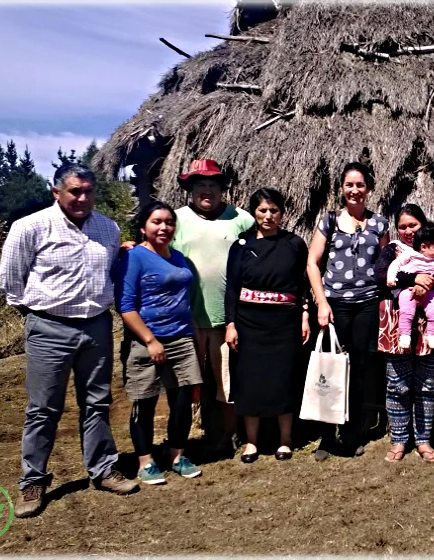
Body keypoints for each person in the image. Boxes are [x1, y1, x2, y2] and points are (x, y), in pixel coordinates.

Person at [0, 163, 138, 518]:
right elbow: (10, 281)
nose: (82, 198)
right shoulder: (30, 227)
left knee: (97, 403)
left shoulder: (107, 228)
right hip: (48, 327)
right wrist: (37, 318)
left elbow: (110, 272)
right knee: (43, 408)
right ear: (56, 191)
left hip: (96, 326)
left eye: (88, 191)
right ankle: (33, 481)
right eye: (75, 191)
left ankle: (103, 469)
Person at [170, 159, 254, 456]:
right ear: (190, 190)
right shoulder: (175, 220)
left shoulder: (241, 219)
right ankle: (200, 434)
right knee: (192, 381)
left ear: (222, 189)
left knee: (226, 383)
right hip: (186, 319)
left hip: (227, 319)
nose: (207, 191)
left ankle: (229, 434)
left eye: (213, 185)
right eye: (200, 185)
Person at [306, 162, 390, 460]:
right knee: (331, 368)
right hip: (336, 305)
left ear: (369, 189)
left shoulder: (379, 224)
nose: (355, 190)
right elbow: (312, 262)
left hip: (367, 304)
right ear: (341, 189)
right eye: (349, 185)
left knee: (361, 367)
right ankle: (327, 438)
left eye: (360, 185)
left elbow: (385, 266)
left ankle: (354, 433)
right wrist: (322, 302)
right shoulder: (328, 221)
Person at [116, 201, 203, 483]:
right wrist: (151, 341)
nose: (164, 227)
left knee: (181, 400)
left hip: (181, 338)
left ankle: (177, 454)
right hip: (146, 341)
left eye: (168, 222)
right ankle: (146, 461)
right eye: (156, 222)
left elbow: (186, 300)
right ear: (144, 227)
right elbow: (126, 305)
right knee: (145, 401)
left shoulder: (179, 258)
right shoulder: (134, 257)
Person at [224, 188, 310, 463]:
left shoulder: (295, 244)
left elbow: (302, 284)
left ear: (282, 213)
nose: (268, 216)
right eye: (262, 210)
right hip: (249, 324)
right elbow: (232, 289)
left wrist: (305, 315)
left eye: (274, 210)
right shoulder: (240, 246)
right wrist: (231, 324)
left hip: (285, 324)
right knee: (250, 381)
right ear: (254, 212)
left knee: (284, 379)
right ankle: (252, 442)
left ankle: (285, 440)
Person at [375, 205, 434, 463]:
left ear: (423, 225)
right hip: (397, 324)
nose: (408, 231)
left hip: (430, 323)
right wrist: (413, 282)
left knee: (427, 385)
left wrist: (428, 282)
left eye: (413, 225)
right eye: (403, 226)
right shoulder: (392, 251)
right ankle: (399, 440)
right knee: (397, 385)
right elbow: (379, 277)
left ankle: (423, 440)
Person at [386, 225, 434, 350]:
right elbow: (395, 264)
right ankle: (405, 335)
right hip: (409, 290)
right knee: (406, 311)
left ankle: (432, 335)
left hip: (430, 292)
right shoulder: (410, 255)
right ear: (423, 247)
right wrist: (391, 278)